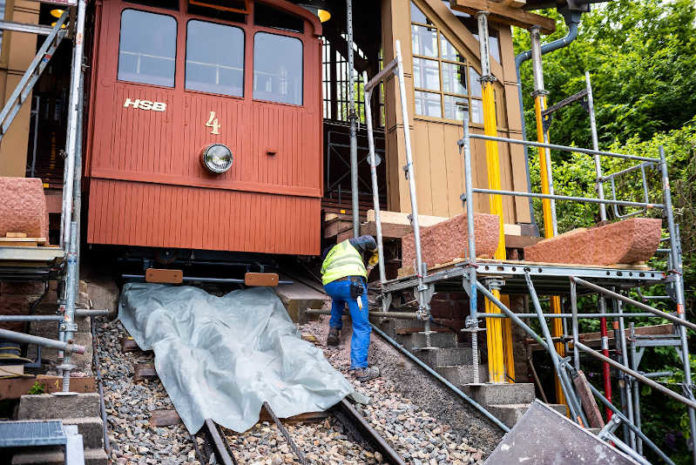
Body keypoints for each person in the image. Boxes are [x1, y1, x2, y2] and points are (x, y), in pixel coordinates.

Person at [321, 235, 380, 382]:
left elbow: (325, 275)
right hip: (353, 286)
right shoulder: (347, 244)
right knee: (362, 326)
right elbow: (369, 239)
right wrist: (375, 251)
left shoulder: (328, 257)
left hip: (331, 287)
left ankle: (334, 331)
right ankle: (360, 369)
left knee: (338, 298)